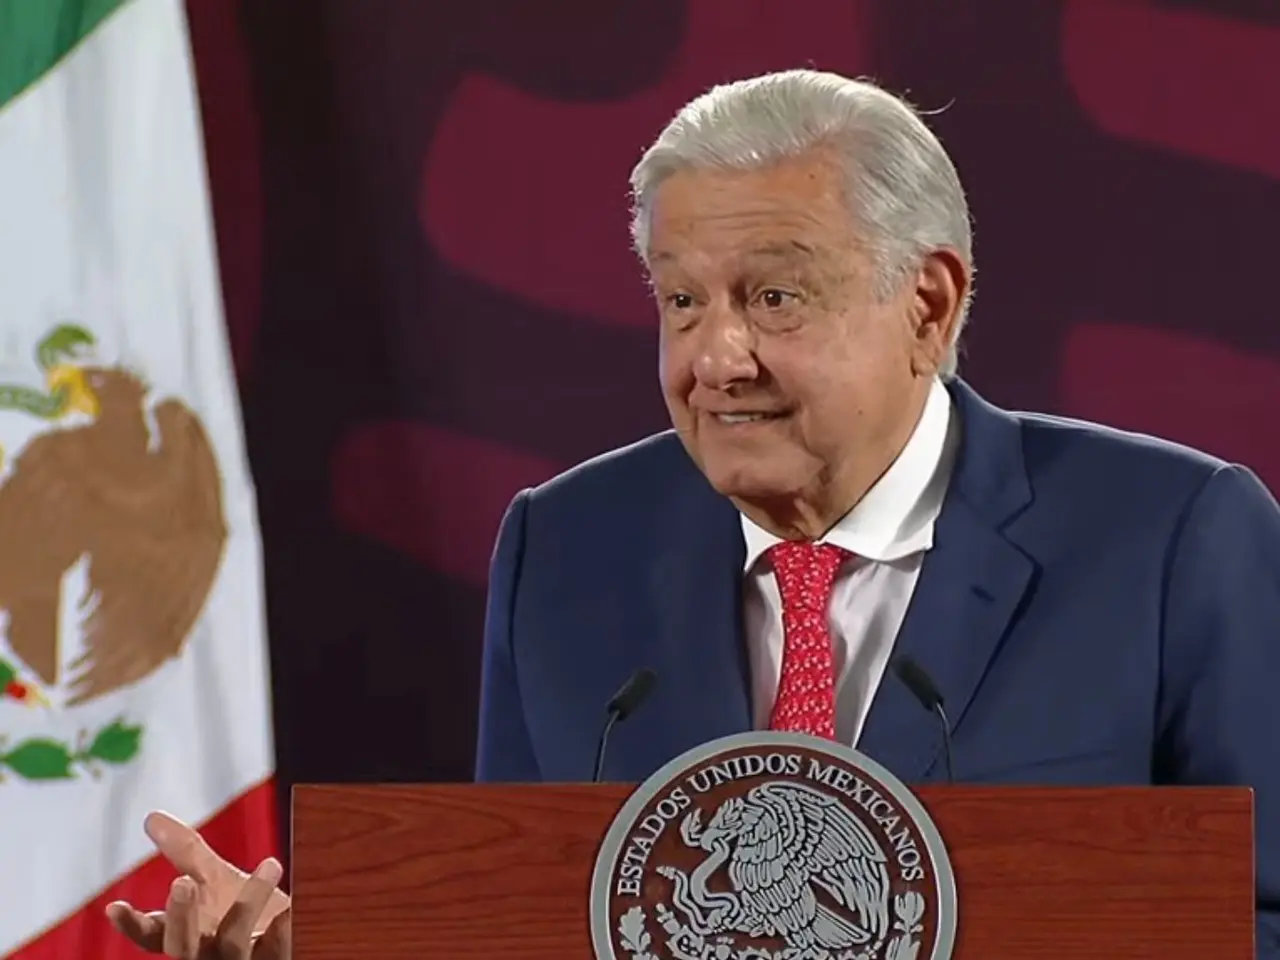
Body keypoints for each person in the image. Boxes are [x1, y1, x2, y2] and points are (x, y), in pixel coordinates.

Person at [106, 69, 1279, 959]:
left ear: (925, 304)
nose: (716, 357)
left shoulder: (1172, 540)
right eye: (680, 299)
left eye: (774, 297)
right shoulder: (566, 550)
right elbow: (526, 929)